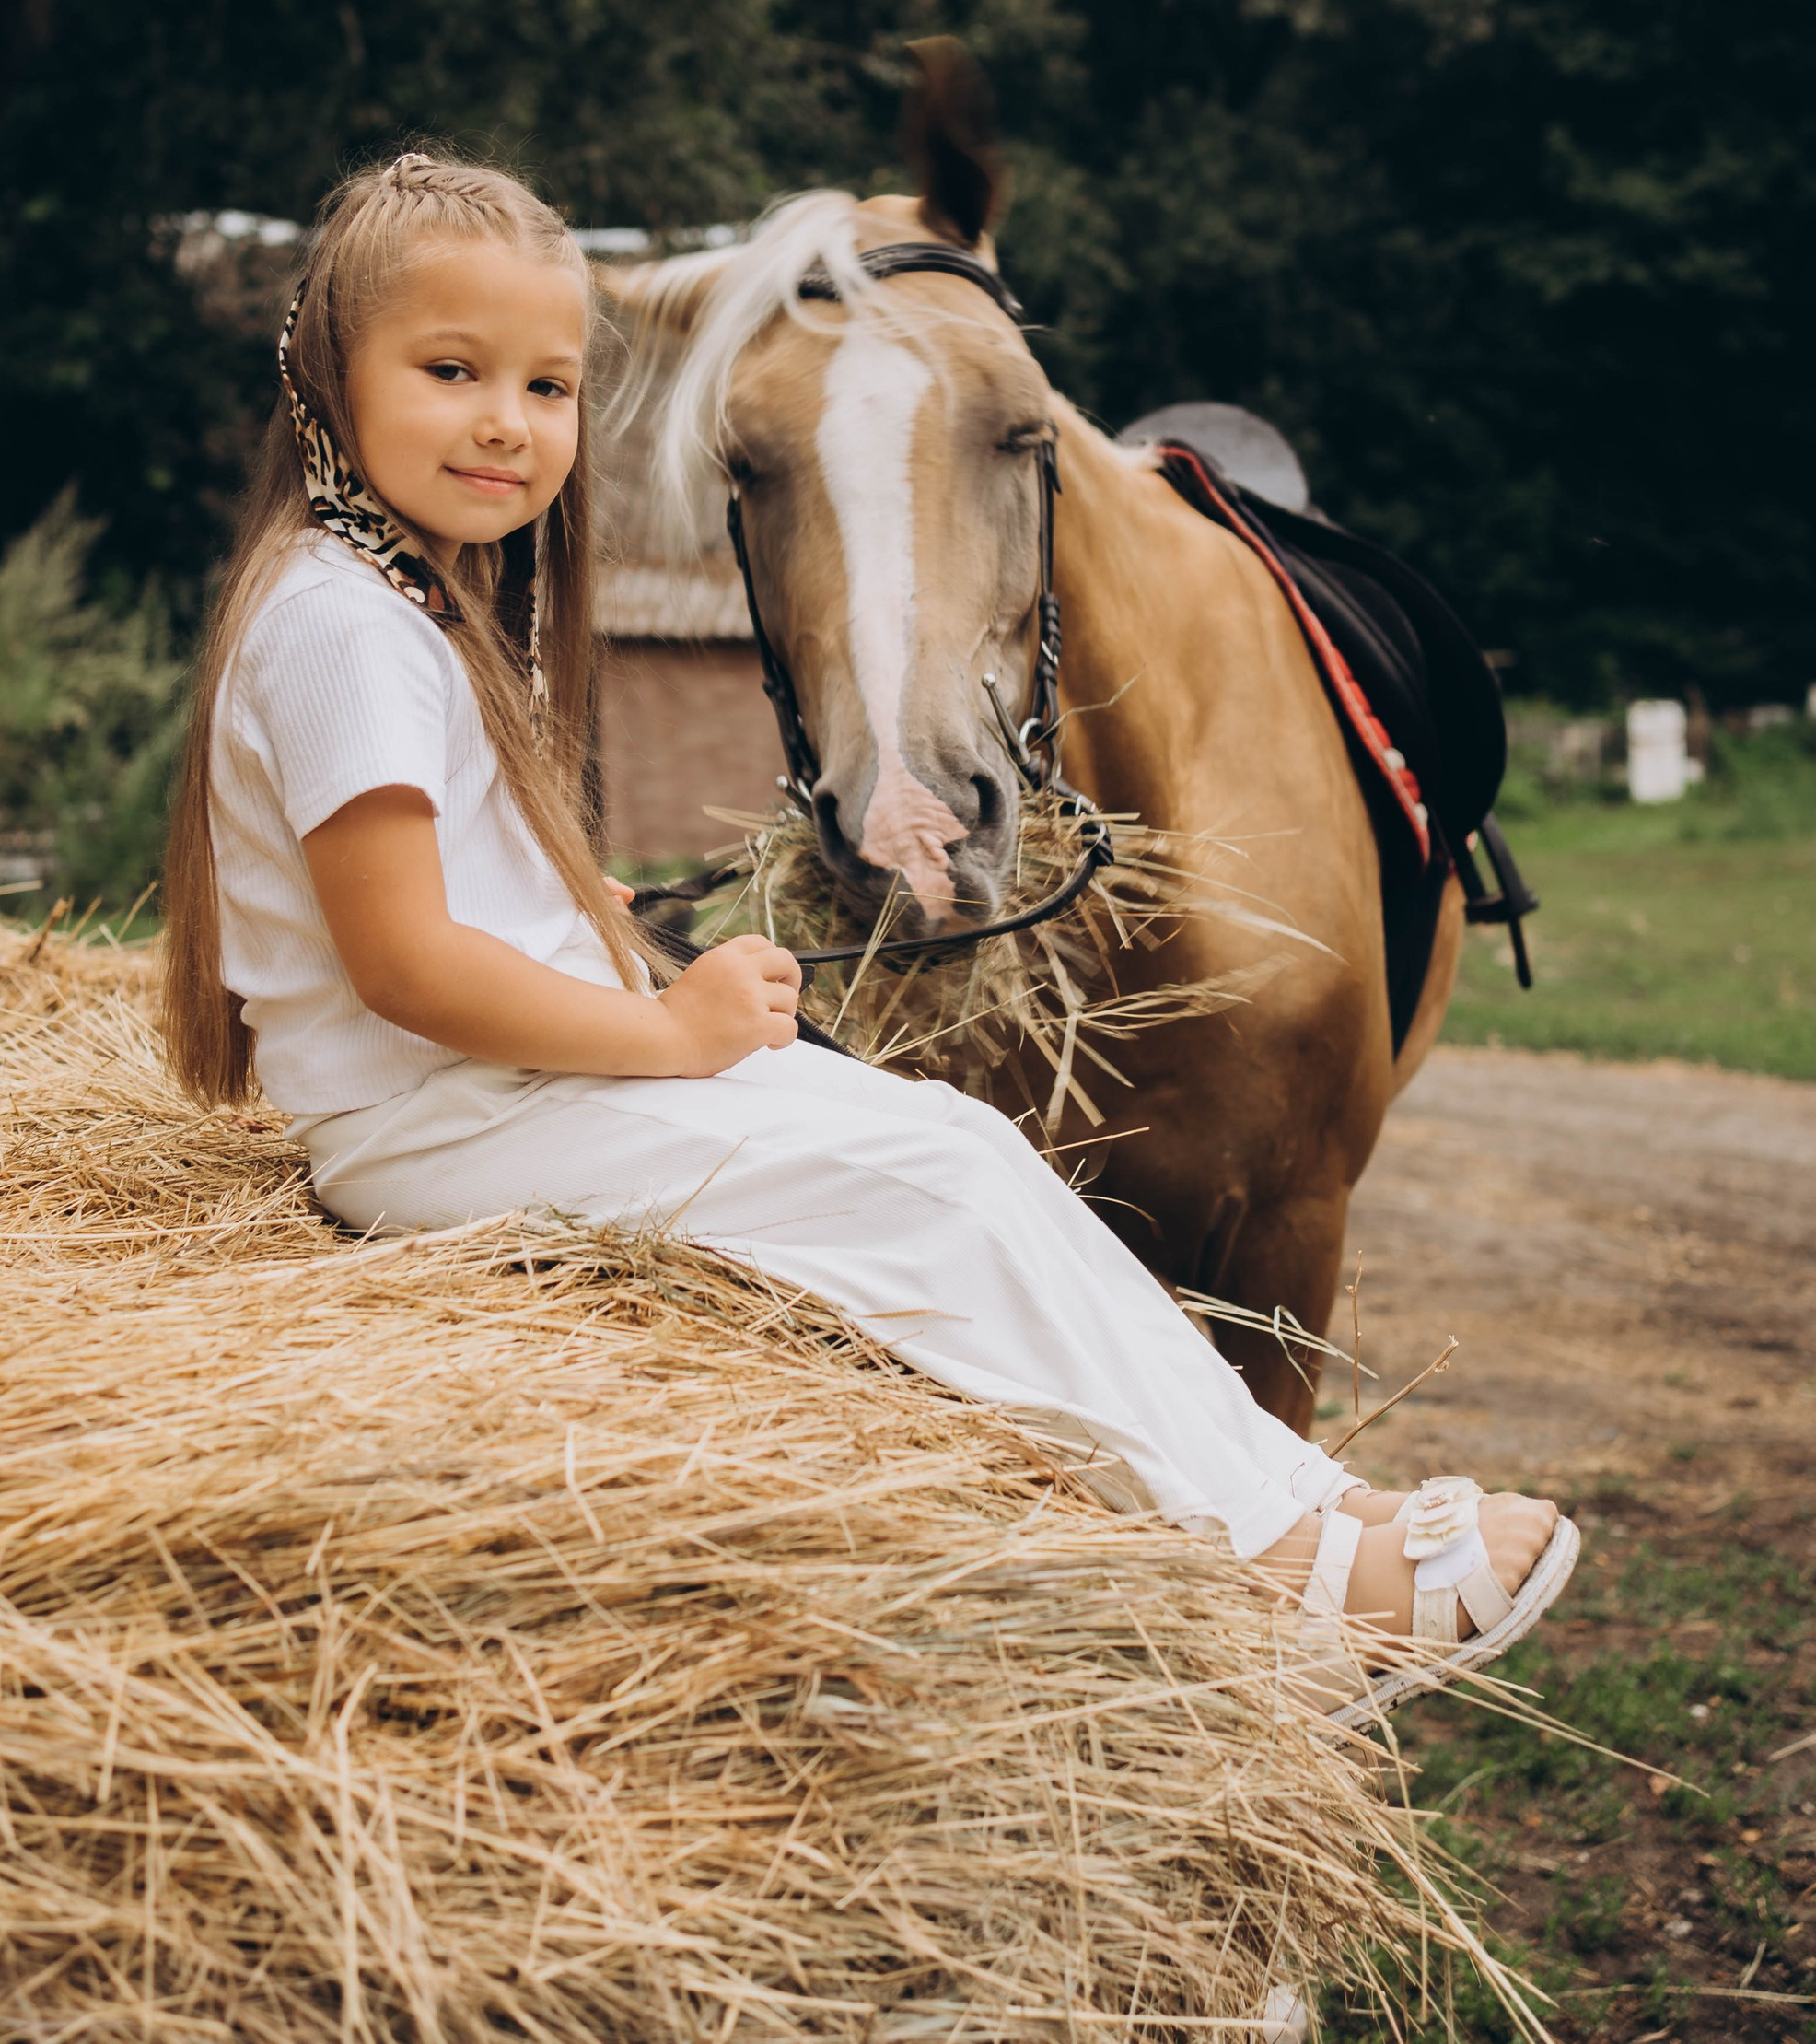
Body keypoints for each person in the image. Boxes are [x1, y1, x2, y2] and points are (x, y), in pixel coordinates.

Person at [160, 147, 1578, 1726]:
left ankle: (1290, 1502)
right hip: (433, 1122)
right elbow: (406, 967)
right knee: (930, 1191)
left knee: (955, 1146)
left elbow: (438, 897)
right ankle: (1287, 1578)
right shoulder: (344, 624)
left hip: (483, 1088)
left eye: (549, 386)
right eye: (451, 371)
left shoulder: (401, 598)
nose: (508, 420)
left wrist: (584, 921)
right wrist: (666, 1032)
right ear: (320, 379)